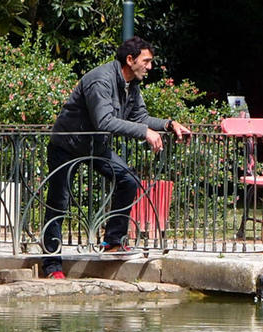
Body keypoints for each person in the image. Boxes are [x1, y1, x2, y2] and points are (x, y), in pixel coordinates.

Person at [41, 36, 192, 279]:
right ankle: (51, 266)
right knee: (59, 202)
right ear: (130, 60)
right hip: (67, 146)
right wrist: (145, 133)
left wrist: (168, 124)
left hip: (95, 147)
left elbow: (140, 117)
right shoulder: (101, 80)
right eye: (147, 61)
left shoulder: (131, 84)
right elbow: (104, 121)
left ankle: (113, 240)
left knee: (128, 180)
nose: (150, 67)